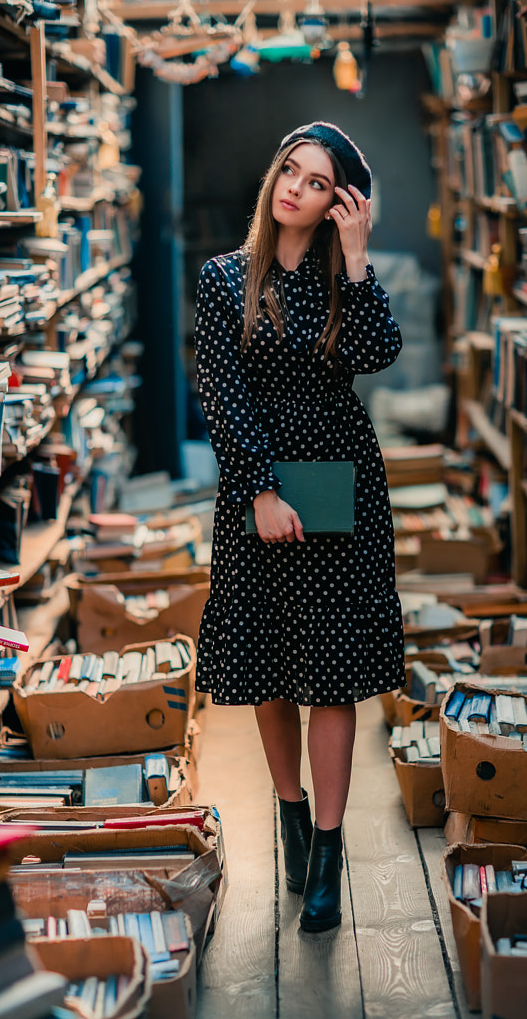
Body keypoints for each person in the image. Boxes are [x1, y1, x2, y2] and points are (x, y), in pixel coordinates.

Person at [194, 121, 405, 933]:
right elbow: (222, 389)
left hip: (339, 473)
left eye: (318, 182)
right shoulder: (224, 279)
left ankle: (325, 852)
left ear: (337, 202)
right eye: (291, 170)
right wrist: (258, 489)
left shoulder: (340, 275)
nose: (296, 188)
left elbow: (379, 352)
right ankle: (289, 812)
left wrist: (357, 262)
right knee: (266, 661)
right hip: (262, 480)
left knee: (334, 665)